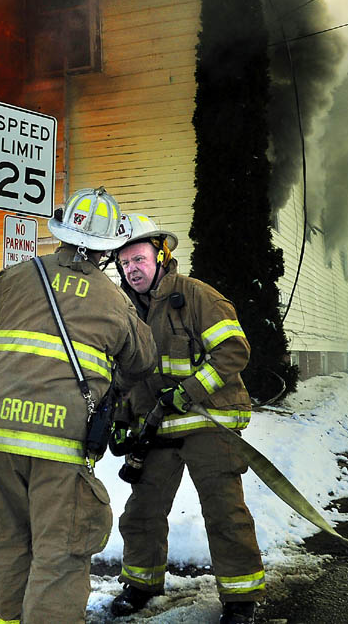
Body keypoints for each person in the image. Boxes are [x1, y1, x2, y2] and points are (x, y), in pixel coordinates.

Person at [0, 188, 157, 624]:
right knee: (60, 553)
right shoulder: (114, 302)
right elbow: (143, 360)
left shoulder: (11, 279)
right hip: (61, 446)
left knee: (11, 541)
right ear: (106, 249)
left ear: (61, 233)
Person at [109, 213, 265, 624]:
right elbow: (128, 376)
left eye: (139, 259)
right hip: (158, 431)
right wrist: (124, 417)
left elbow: (233, 351)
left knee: (224, 511)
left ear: (161, 256)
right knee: (141, 511)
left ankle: (241, 598)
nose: (132, 270)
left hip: (207, 424)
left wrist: (189, 390)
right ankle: (141, 585)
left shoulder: (197, 296)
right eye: (124, 264)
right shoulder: (126, 313)